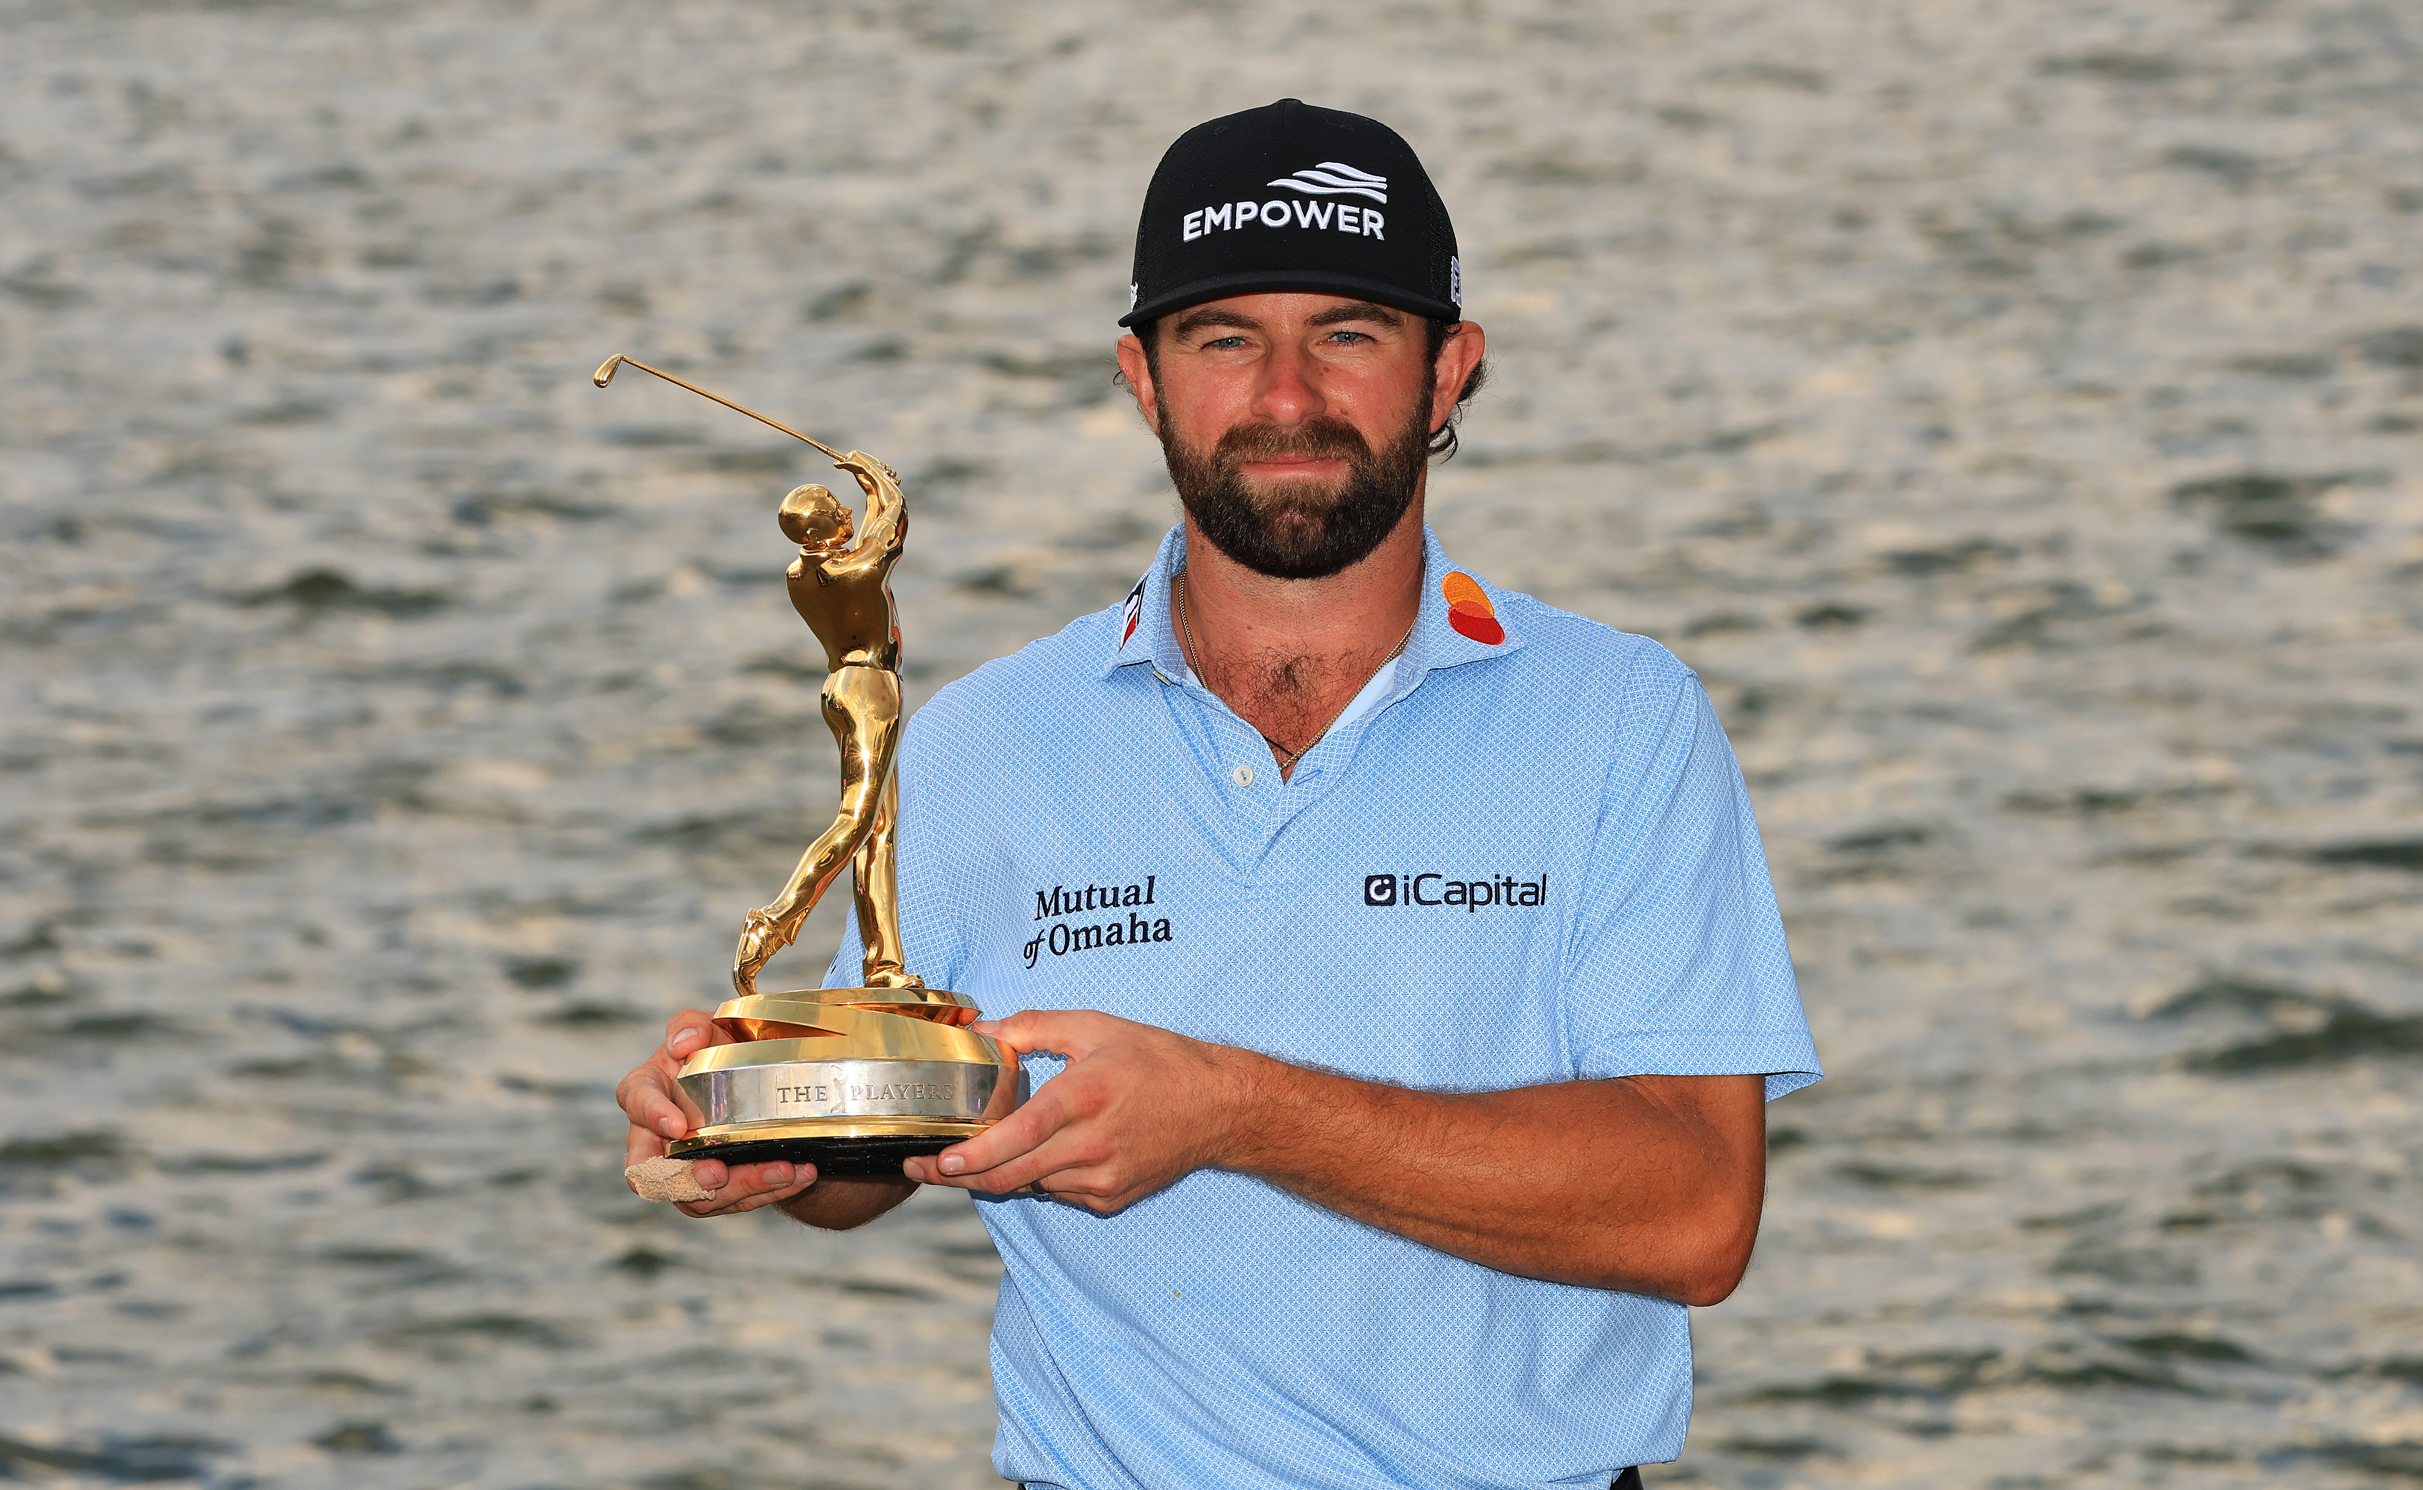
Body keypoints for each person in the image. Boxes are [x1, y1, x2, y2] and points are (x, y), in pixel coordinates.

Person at [617, 98, 1821, 1490]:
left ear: (1450, 372)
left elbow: (1696, 1212)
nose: (1289, 396)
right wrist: (754, 1136)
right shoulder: (985, 740)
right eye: (1226, 337)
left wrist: (1234, 1108)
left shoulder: (1619, 719)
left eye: (1350, 335)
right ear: (1142, 374)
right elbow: (882, 1143)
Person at [731, 453, 926, 997]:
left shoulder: (804, 575)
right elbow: (891, 530)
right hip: (870, 690)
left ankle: (883, 964)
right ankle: (772, 923)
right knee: (856, 820)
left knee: (877, 832)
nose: (848, 512)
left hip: (839, 689)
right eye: (837, 508)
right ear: (824, 528)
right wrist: (878, 480)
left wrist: (869, 492)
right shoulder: (849, 572)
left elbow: (873, 535)